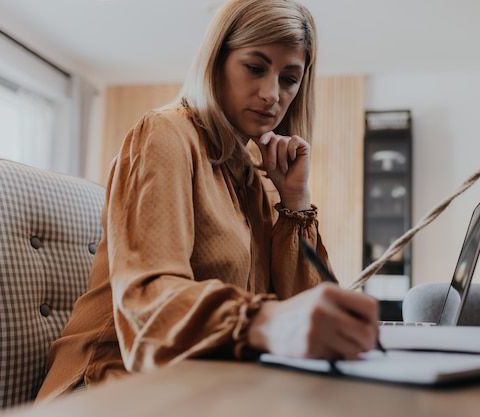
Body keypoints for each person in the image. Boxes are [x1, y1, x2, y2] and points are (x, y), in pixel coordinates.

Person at [36, 0, 379, 401]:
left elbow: (300, 315)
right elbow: (148, 301)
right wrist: (261, 321)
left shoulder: (257, 175)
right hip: (110, 386)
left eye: (289, 78)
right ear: (216, 61)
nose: (272, 94)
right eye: (255, 68)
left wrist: (295, 203)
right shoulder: (164, 135)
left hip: (209, 381)